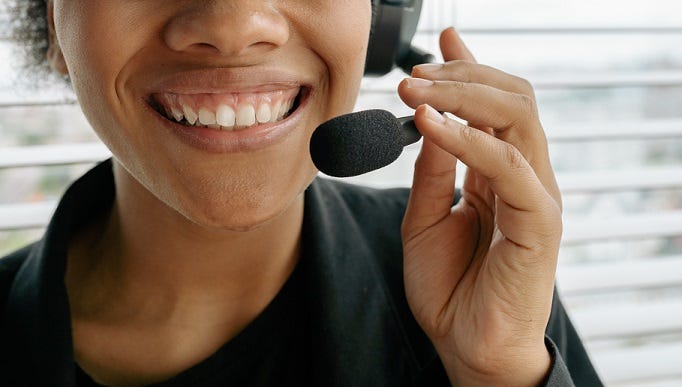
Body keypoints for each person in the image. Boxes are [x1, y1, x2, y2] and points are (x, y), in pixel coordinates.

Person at [0, 1, 602, 386]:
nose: (234, 24)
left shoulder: (478, 271)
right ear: (55, 23)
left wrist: (498, 374)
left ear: (383, 21)